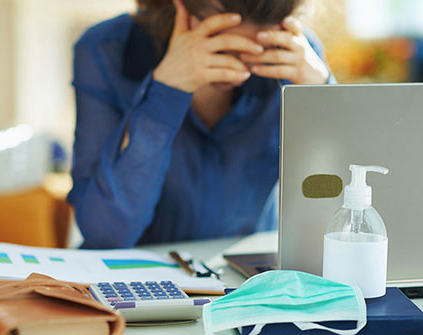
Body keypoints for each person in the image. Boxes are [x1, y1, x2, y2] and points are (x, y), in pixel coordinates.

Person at [68, 0, 335, 249]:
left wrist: (325, 96)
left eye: (256, 52)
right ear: (180, 7)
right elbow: (107, 234)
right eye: (223, 46)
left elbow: (348, 205)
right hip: (139, 283)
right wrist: (164, 93)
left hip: (251, 284)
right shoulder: (105, 50)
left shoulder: (296, 54)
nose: (238, 66)